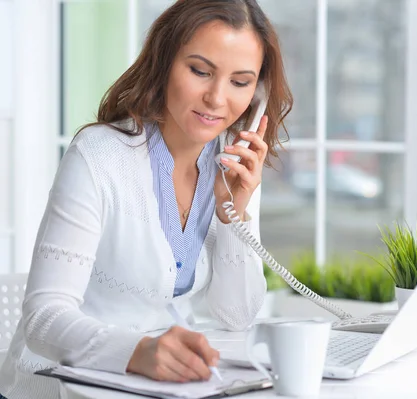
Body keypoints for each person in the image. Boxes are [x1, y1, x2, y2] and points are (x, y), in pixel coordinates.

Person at [0, 0, 293, 397]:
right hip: (59, 386)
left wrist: (234, 215)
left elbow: (236, 315)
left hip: (155, 387)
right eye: (200, 71)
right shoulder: (99, 155)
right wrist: (137, 352)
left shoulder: (234, 164)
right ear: (163, 62)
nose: (217, 99)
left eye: (240, 82)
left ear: (257, 91)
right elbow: (42, 318)